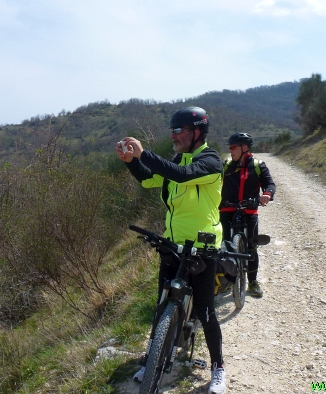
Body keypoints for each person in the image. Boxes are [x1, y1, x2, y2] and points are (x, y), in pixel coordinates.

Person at [117, 107, 227, 394]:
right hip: (172, 245)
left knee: (205, 311)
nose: (173, 135)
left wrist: (145, 153)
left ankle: (218, 369)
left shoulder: (210, 161)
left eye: (178, 130)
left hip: (203, 247)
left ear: (196, 132)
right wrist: (131, 161)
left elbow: (182, 175)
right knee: (162, 304)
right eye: (173, 130)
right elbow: (148, 178)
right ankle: (153, 360)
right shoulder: (177, 160)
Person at [219, 132, 276, 298]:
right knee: (224, 245)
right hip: (227, 209)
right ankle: (227, 279)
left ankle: (252, 281)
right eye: (229, 147)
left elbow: (270, 184)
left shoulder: (258, 165)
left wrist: (267, 194)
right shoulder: (227, 165)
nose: (230, 150)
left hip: (249, 209)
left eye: (233, 147)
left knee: (251, 246)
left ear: (245, 148)